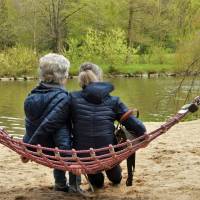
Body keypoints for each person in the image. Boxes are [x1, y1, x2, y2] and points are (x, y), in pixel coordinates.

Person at [69, 62, 148, 189]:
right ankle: (113, 173)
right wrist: (143, 136)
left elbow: (61, 123)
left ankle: (97, 177)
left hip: (83, 156)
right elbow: (137, 127)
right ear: (99, 78)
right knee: (116, 177)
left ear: (81, 78)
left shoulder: (71, 98)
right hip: (108, 153)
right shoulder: (113, 100)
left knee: (97, 183)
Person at [22, 53, 80, 192]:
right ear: (62, 76)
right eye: (66, 73)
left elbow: (30, 125)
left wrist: (27, 146)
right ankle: (75, 186)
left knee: (58, 147)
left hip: (37, 147)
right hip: (54, 148)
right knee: (73, 146)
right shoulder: (64, 98)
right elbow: (61, 134)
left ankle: (60, 184)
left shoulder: (31, 96)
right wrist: (70, 161)